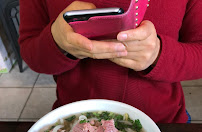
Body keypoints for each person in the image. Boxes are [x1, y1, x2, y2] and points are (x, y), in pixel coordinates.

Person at [19, 0, 202, 123]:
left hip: (164, 123)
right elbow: (31, 53)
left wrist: (159, 54)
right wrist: (56, 42)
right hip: (75, 122)